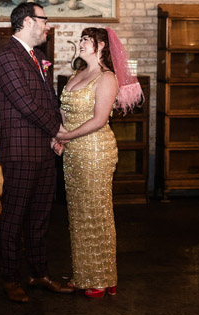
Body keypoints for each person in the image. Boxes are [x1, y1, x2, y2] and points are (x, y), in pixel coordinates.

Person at [0, 1, 71, 304]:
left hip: (43, 151)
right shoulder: (7, 58)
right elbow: (25, 104)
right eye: (44, 20)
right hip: (21, 151)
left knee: (40, 219)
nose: (48, 26)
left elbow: (48, 101)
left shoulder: (38, 57)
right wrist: (59, 131)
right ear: (27, 21)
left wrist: (56, 136)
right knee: (14, 220)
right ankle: (11, 279)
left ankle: (40, 274)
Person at [54, 27, 142, 298]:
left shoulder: (106, 78)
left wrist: (66, 135)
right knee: (78, 215)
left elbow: (99, 119)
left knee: (96, 213)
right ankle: (84, 273)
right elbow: (64, 110)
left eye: (86, 40)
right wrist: (62, 139)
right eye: (81, 40)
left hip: (95, 150)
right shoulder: (77, 74)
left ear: (101, 46)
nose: (80, 44)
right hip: (74, 152)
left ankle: (102, 277)